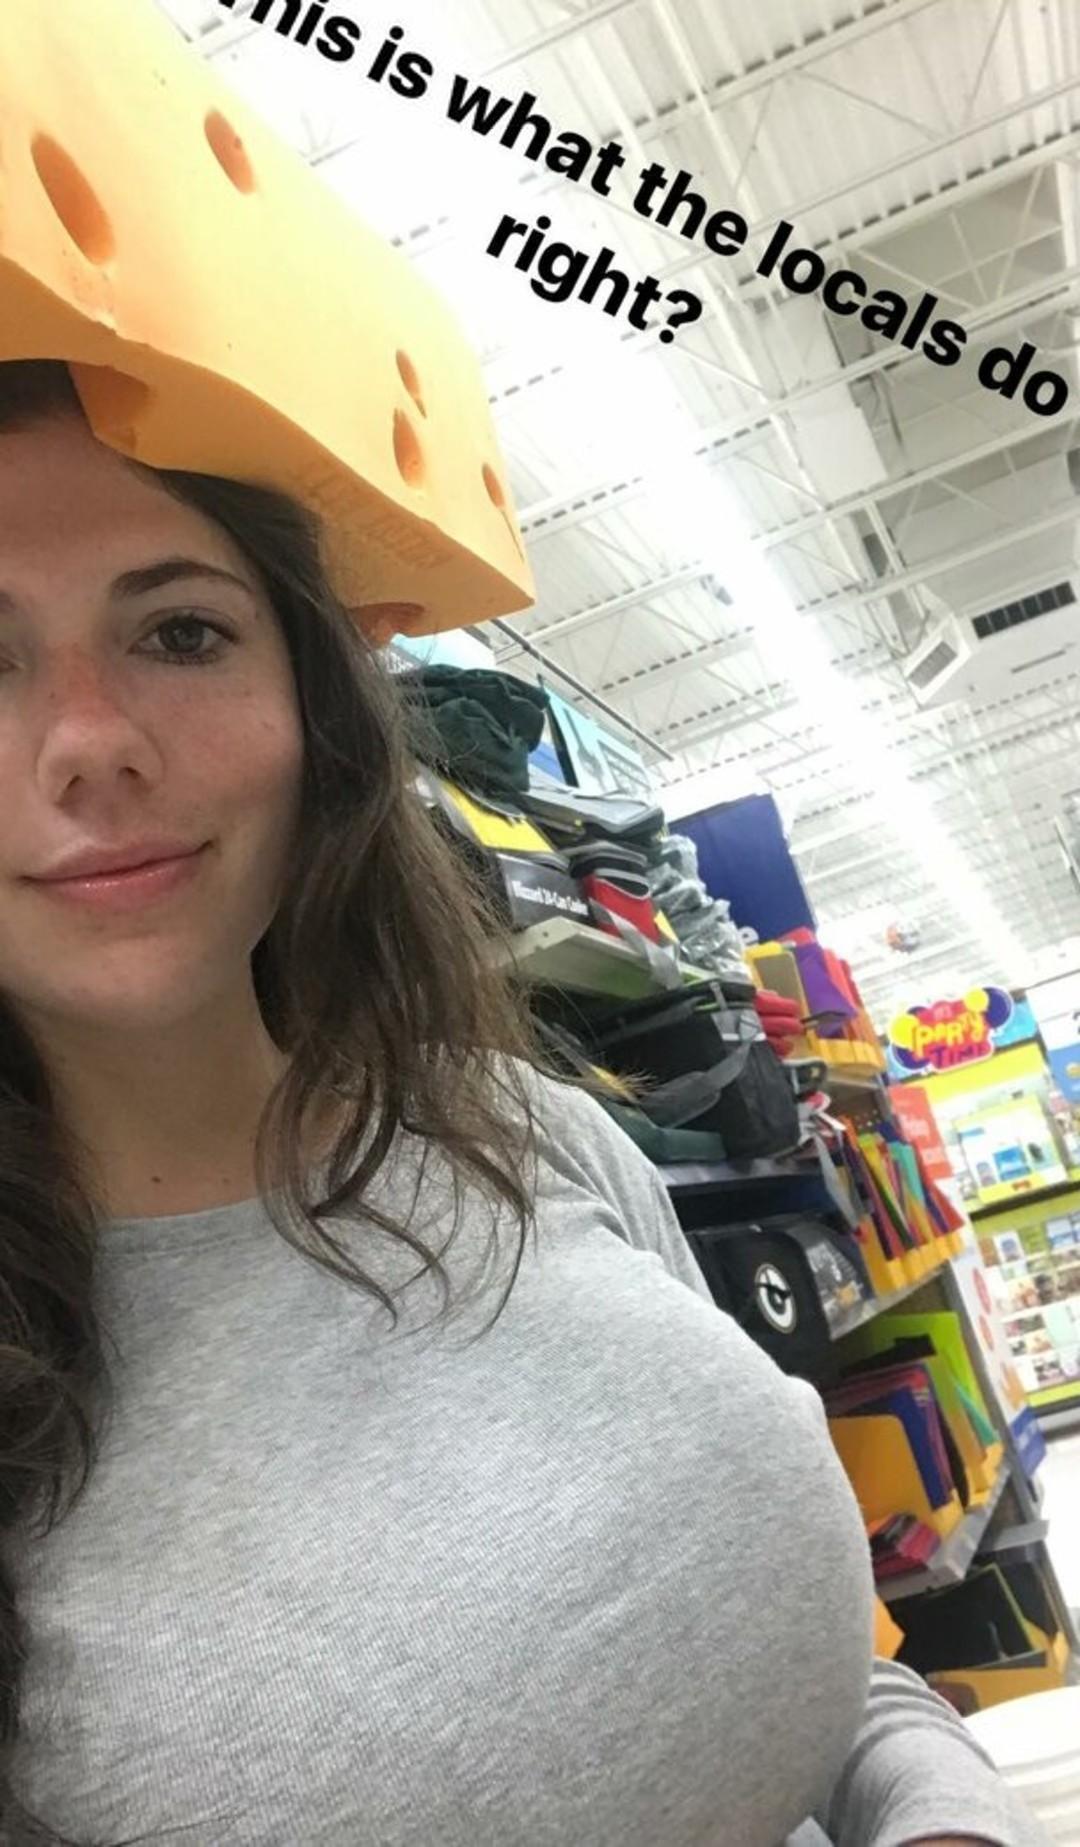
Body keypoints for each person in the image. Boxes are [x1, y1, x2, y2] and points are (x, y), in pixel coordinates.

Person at [0, 358, 1045, 1847]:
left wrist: (944, 1820)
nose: (90, 738)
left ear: (314, 711)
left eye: (180, 632)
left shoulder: (523, 1129)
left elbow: (826, 1677)